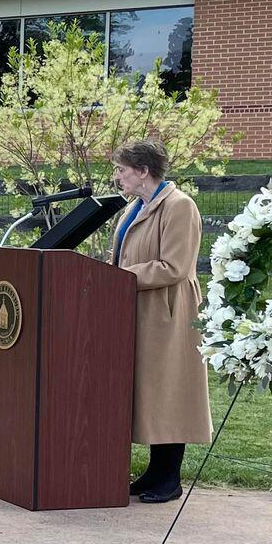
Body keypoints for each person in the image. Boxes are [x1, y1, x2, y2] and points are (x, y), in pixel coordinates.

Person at [111, 139, 213, 504]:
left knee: (170, 391)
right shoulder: (136, 207)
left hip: (170, 311)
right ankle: (154, 473)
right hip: (141, 309)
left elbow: (174, 266)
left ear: (143, 171)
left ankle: (170, 478)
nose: (117, 176)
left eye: (122, 170)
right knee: (151, 392)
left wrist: (119, 280)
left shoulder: (180, 206)